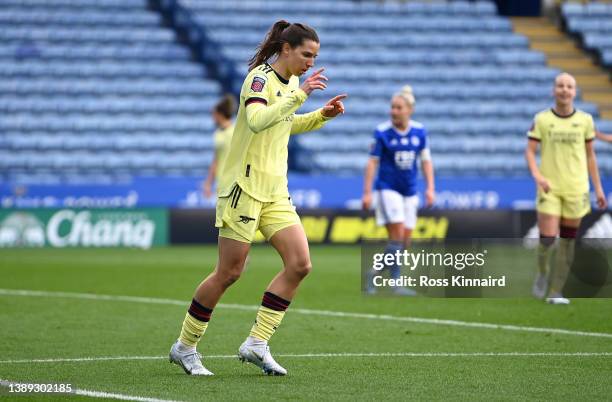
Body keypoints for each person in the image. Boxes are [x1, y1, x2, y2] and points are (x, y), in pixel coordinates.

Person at [169, 20, 347, 376]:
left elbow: (285, 123)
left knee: (300, 265)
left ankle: (256, 343)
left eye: (315, 56)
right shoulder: (258, 79)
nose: (311, 62)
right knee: (229, 272)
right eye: (306, 54)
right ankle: (185, 346)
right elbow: (257, 119)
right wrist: (300, 97)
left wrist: (320, 117)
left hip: (275, 191)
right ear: (286, 49)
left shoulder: (294, 82)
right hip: (244, 190)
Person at [525, 72, 607, 305]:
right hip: (549, 188)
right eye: (560, 85)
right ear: (554, 90)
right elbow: (530, 151)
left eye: (569, 86)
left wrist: (598, 189)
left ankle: (556, 291)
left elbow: (591, 156)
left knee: (568, 241)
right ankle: (542, 272)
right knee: (548, 240)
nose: (564, 90)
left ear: (574, 91)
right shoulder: (541, 119)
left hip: (577, 189)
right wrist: (537, 175)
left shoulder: (585, 120)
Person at [362, 85, 435, 295]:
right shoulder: (382, 132)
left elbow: (426, 161)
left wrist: (430, 188)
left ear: (409, 110)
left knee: (405, 242)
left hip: (410, 190)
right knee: (398, 234)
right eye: (392, 107)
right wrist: (367, 193)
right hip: (388, 189)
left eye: (398, 107)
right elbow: (372, 163)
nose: (393, 111)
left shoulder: (420, 131)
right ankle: (395, 284)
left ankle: (375, 273)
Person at [202, 95, 236, 199]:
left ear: (220, 114)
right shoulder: (217, 134)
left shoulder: (235, 131)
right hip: (221, 181)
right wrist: (208, 182)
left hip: (234, 181)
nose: (212, 117)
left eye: (214, 114)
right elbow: (216, 159)